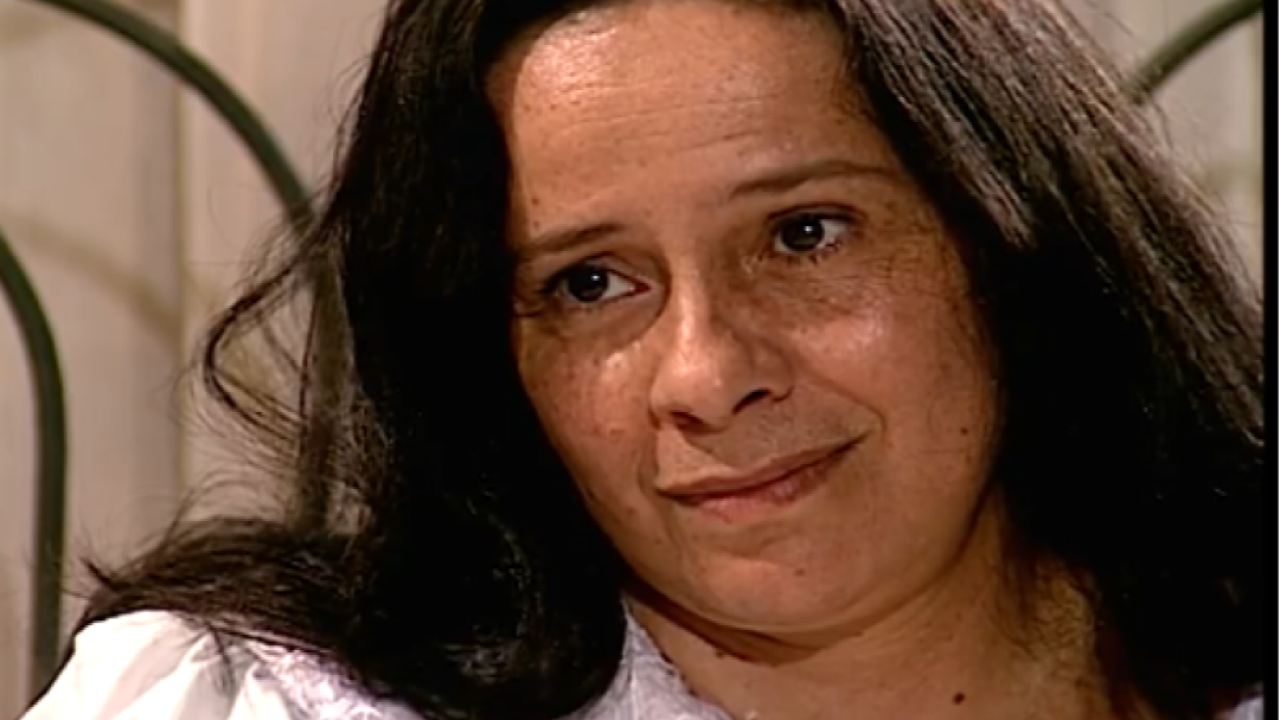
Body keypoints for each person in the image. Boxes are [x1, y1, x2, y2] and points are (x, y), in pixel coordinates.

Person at [20, 0, 1266, 718]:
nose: (705, 375)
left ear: (1014, 237)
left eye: (804, 234)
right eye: (587, 283)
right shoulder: (254, 703)